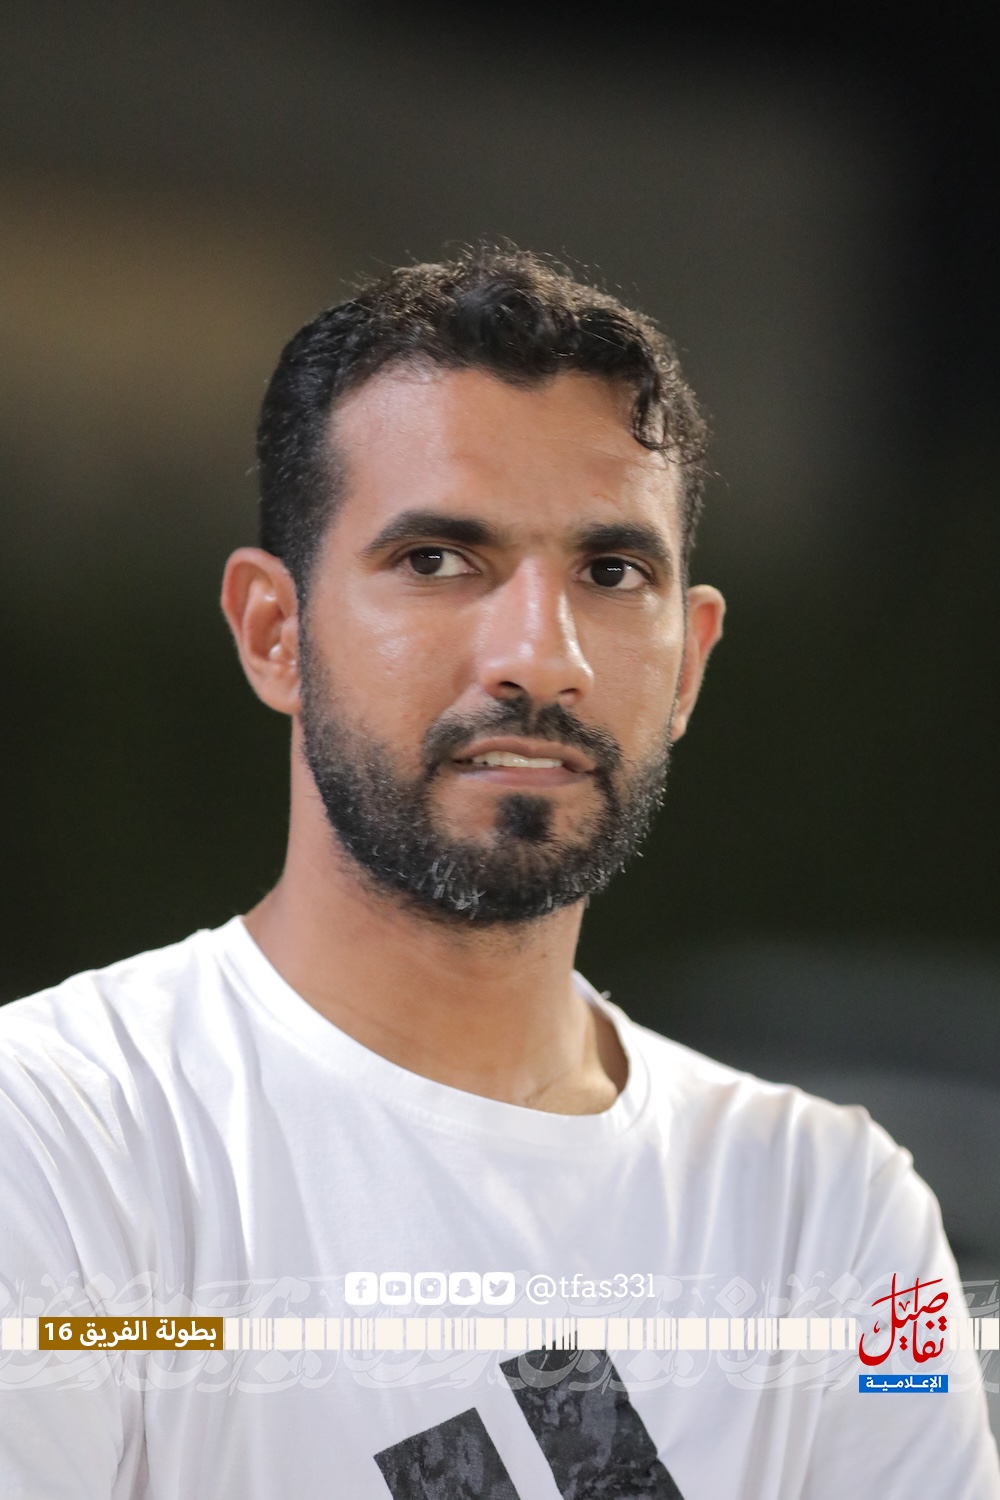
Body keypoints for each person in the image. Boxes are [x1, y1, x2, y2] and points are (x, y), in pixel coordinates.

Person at [0, 247, 996, 1499]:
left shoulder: (836, 1217)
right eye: (437, 560)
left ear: (687, 665)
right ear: (273, 632)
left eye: (611, 573)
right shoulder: (60, 1139)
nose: (540, 654)